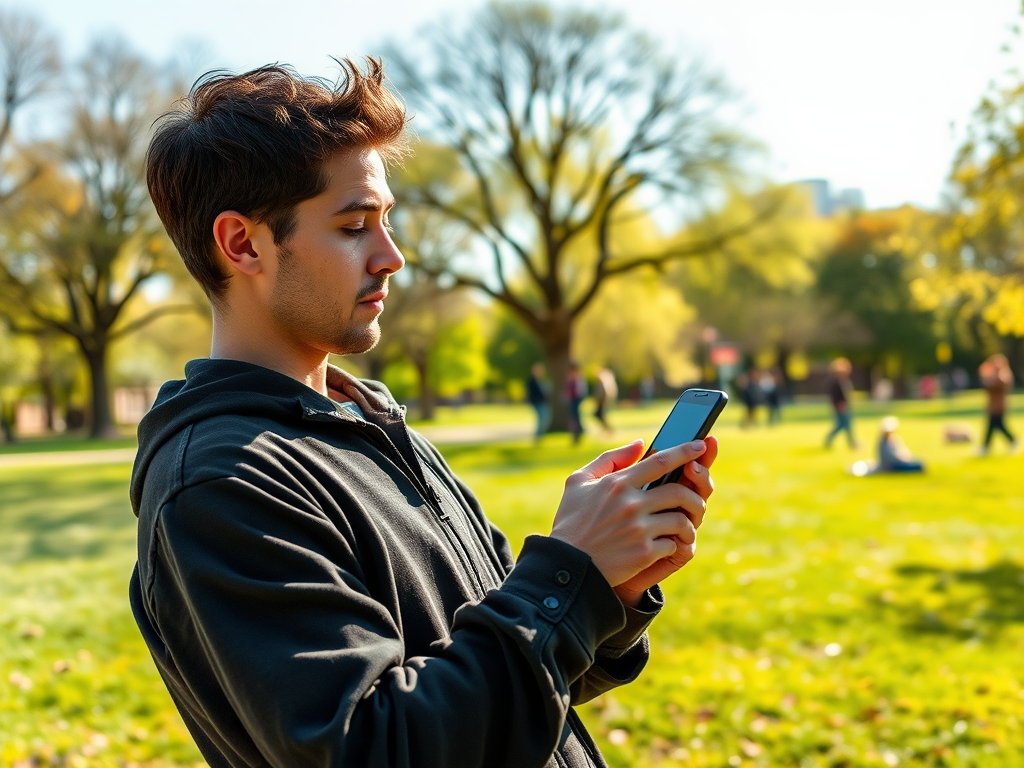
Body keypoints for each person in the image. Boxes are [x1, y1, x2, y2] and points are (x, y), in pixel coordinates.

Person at [129, 61, 720, 768]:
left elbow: (517, 686)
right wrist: (568, 573)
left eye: (386, 222)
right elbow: (380, 750)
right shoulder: (223, 484)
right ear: (243, 244)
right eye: (354, 226)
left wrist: (605, 592)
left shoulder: (367, 420)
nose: (393, 257)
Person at [979, 353, 1017, 453]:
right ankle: (986, 446)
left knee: (996, 425)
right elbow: (983, 372)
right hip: (993, 406)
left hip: (999, 406)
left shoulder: (1003, 375)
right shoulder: (991, 375)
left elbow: (999, 383)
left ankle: (1011, 440)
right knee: (994, 425)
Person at [824, 357, 858, 449]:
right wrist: (840, 404)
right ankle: (828, 440)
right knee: (842, 425)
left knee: (847, 425)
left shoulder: (842, 379)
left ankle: (852, 443)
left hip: (844, 405)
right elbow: (835, 395)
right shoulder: (835, 381)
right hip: (841, 406)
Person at [564, 360, 587, 444]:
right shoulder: (570, 379)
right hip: (572, 401)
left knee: (576, 419)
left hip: (576, 401)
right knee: (573, 419)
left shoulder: (578, 379)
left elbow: (581, 391)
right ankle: (575, 436)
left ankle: (578, 434)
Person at [526, 362, 549, 441]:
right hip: (537, 403)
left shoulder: (540, 380)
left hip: (542, 402)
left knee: (544, 419)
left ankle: (539, 436)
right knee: (541, 419)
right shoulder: (532, 381)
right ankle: (537, 436)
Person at [591, 367, 618, 435]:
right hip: (600, 403)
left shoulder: (602, 384)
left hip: (602, 403)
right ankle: (607, 429)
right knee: (599, 416)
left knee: (600, 416)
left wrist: (600, 401)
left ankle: (609, 429)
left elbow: (602, 394)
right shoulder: (599, 384)